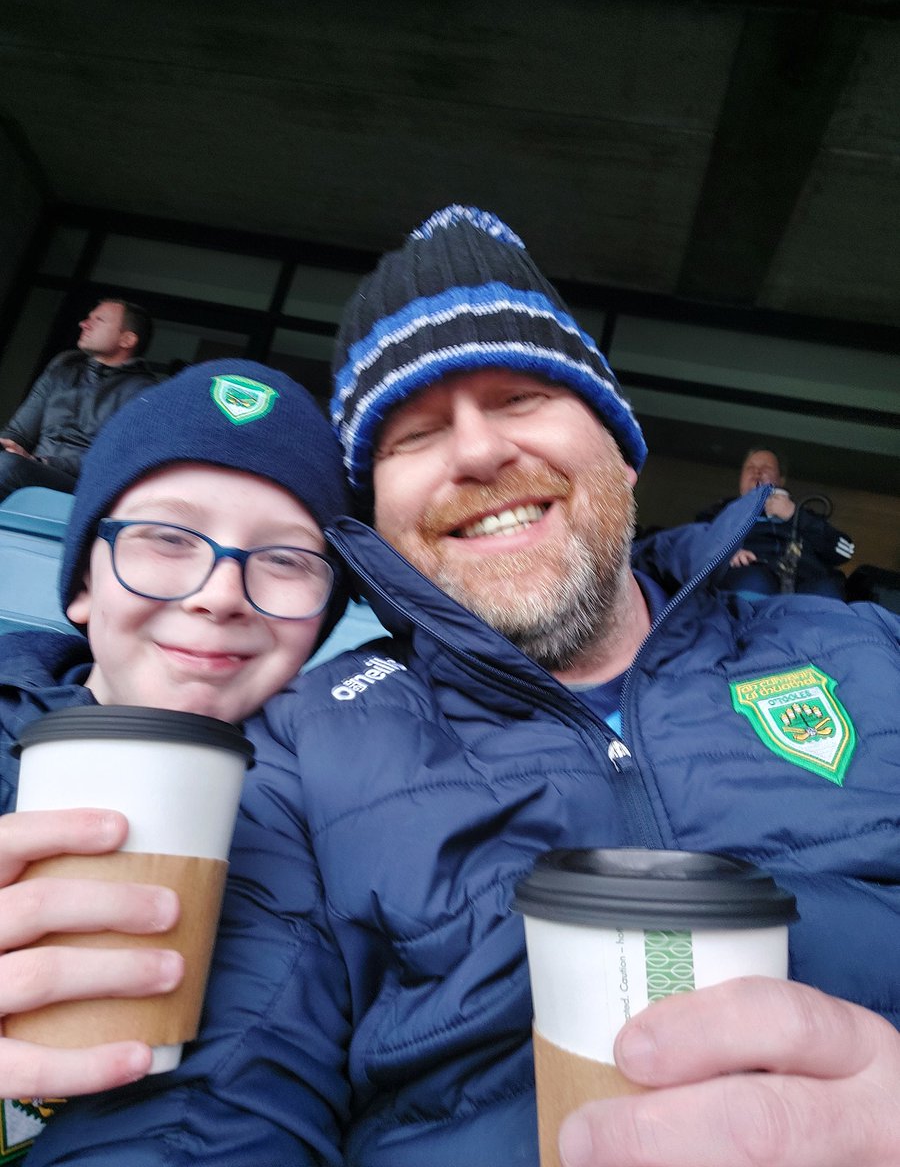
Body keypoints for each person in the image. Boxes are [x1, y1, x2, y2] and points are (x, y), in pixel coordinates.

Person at [21, 207, 900, 1167]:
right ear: (374, 522)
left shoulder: (866, 651)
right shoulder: (304, 751)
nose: (478, 452)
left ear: (621, 445)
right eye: (415, 434)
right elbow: (203, 1115)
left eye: (522, 397)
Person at [0, 358, 348, 1162]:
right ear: (84, 580)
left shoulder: (353, 807)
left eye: (286, 559)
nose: (219, 593)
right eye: (165, 538)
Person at [0, 299, 159, 500]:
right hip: (27, 467)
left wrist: (42, 461)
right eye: (88, 318)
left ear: (127, 340)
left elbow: (115, 461)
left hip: (82, 485)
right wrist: (8, 447)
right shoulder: (64, 368)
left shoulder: (145, 391)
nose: (84, 324)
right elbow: (18, 433)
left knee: (7, 466)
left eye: (99, 320)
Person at [696, 447, 855, 598]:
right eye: (750, 467)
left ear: (781, 479)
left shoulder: (804, 515)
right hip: (748, 578)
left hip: (805, 585)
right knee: (754, 581)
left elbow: (845, 551)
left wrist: (795, 515)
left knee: (827, 591)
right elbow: (693, 544)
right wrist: (726, 552)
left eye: (766, 468)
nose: (757, 472)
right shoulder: (721, 511)